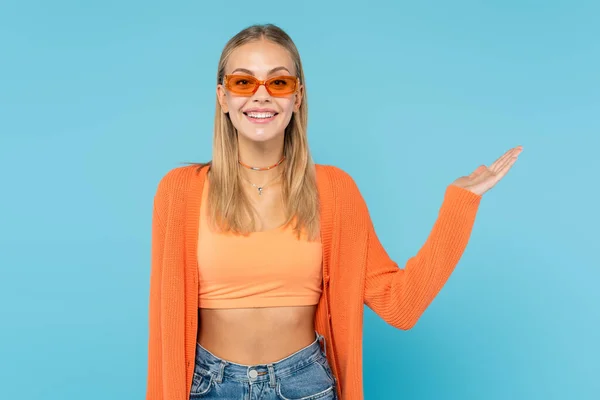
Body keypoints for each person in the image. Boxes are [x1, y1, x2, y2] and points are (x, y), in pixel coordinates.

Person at [145, 23, 522, 400]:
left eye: (279, 83)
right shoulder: (179, 191)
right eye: (244, 83)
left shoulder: (334, 191)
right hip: (209, 386)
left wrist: (460, 203)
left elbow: (401, 305)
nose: (261, 96)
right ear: (222, 96)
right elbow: (164, 330)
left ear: (299, 96)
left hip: (303, 385)